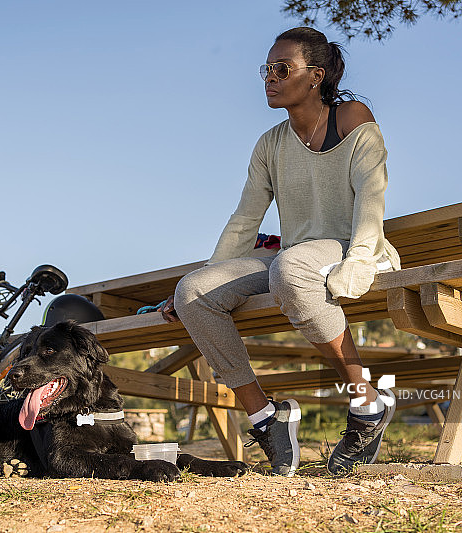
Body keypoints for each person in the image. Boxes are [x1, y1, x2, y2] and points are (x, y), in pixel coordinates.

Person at [161, 27, 401, 476]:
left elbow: (373, 194)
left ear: (316, 76)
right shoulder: (269, 143)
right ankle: (265, 418)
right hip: (297, 255)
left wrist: (360, 257)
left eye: (281, 68)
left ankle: (367, 402)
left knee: (291, 268)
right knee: (193, 291)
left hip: (354, 246)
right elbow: (244, 220)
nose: (269, 77)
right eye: (266, 69)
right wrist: (216, 272)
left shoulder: (352, 118)